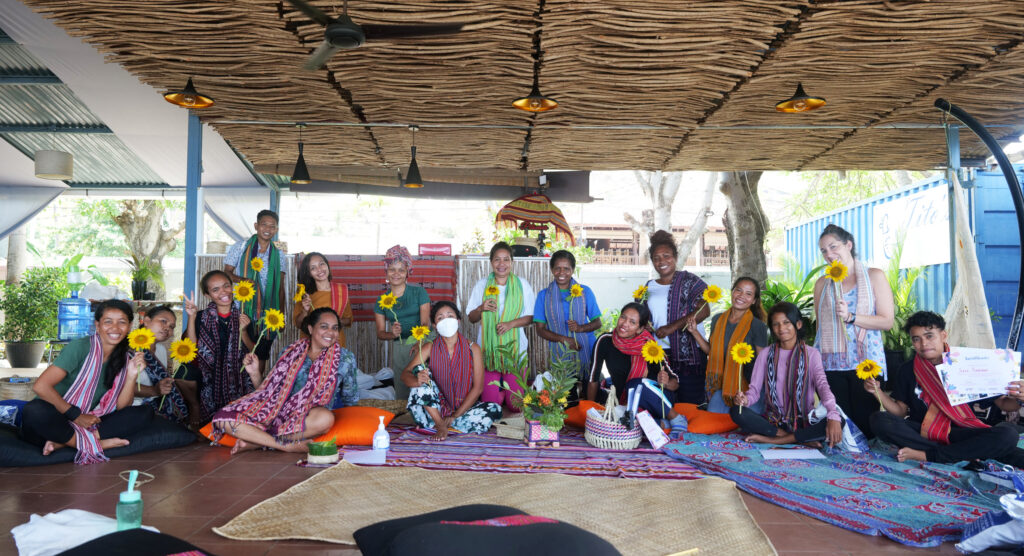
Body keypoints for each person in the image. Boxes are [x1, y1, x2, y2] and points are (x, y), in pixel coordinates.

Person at [866, 311, 1024, 466]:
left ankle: (929, 454)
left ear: (943, 335)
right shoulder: (907, 370)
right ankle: (965, 453)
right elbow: (900, 412)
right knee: (879, 420)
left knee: (1008, 435)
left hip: (962, 431)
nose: (924, 344)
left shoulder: (967, 362)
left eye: (929, 336)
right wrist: (877, 392)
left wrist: (1020, 398)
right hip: (922, 431)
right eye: (916, 339)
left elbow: (1004, 404)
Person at [20, 300, 154, 464]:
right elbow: (40, 386)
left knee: (145, 412)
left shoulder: (125, 358)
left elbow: (122, 407)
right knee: (34, 410)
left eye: (122, 322)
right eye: (108, 322)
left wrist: (132, 375)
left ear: (130, 326)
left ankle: (65, 443)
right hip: (54, 419)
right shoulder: (81, 347)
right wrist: (75, 416)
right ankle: (99, 444)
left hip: (86, 422)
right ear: (97, 325)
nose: (115, 328)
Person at [211, 308, 349, 454]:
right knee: (222, 419)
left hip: (306, 418)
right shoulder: (290, 351)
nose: (331, 333)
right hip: (273, 413)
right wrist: (255, 373)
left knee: (326, 419)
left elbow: (350, 398)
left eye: (335, 328)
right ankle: (285, 446)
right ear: (310, 329)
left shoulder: (345, 359)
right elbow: (268, 393)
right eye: (324, 327)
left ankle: (257, 442)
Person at [813, 223, 894, 437]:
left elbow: (887, 321)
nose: (829, 254)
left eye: (833, 247)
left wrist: (852, 317)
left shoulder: (874, 276)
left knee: (866, 427)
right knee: (840, 426)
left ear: (848, 245)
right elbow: (820, 328)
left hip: (865, 362)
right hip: (832, 364)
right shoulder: (822, 284)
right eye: (824, 251)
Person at [731, 302, 843, 448]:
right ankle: (798, 438)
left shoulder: (811, 354)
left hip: (804, 421)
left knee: (840, 420)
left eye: (786, 322)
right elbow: (754, 391)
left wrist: (833, 414)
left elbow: (822, 386)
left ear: (798, 324)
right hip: (774, 421)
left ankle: (774, 440)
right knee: (737, 412)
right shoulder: (765, 354)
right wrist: (744, 400)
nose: (781, 328)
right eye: (776, 324)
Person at [403, 301, 502, 442]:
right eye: (440, 318)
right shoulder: (429, 347)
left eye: (450, 316)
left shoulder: (473, 348)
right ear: (435, 325)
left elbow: (478, 388)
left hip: (462, 410)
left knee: (494, 408)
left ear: (458, 321)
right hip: (434, 408)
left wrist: (455, 415)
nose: (446, 321)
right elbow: (405, 374)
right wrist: (417, 380)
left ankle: (443, 424)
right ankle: (440, 425)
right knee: (420, 373)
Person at [586, 303, 688, 437]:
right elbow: (593, 378)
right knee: (621, 424)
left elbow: (675, 383)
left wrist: (666, 382)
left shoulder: (650, 347)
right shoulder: (605, 341)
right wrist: (590, 412)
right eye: (623, 317)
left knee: (634, 385)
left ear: (640, 329)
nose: (625, 324)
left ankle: (677, 419)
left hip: (658, 402)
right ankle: (662, 424)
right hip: (628, 403)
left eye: (632, 322)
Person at [643, 230, 710, 404]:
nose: (661, 261)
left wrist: (671, 327)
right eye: (656, 258)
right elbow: (643, 315)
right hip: (660, 354)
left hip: (690, 356)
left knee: (690, 405)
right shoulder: (648, 287)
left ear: (675, 257)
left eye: (666, 256)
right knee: (664, 404)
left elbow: (704, 311)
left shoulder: (691, 281)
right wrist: (646, 325)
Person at [180, 270, 255, 426]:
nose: (223, 292)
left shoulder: (244, 317)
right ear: (208, 295)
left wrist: (243, 331)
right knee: (183, 371)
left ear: (232, 287)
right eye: (215, 289)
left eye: (226, 286)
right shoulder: (201, 317)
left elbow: (254, 350)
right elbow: (190, 347)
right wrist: (192, 317)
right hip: (207, 374)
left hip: (237, 375)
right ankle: (196, 407)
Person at [467, 242, 536, 410]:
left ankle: (507, 395)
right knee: (490, 406)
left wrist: (510, 324)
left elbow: (531, 317)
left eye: (506, 259)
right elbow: (471, 318)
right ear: (491, 262)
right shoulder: (482, 285)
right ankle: (500, 396)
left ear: (512, 262)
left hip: (515, 351)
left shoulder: (522, 285)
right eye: (497, 259)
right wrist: (481, 308)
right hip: (488, 352)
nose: (501, 264)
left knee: (516, 406)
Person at [688, 277, 769, 413]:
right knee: (714, 416)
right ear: (732, 292)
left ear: (754, 300)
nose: (741, 296)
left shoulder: (758, 326)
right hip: (724, 387)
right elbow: (711, 351)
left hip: (749, 389)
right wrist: (694, 332)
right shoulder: (717, 319)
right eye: (739, 290)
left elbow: (762, 363)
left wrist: (751, 395)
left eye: (748, 294)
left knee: (742, 418)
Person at [223, 209, 286, 376]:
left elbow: (280, 288)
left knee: (261, 353)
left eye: (272, 226)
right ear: (256, 226)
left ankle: (256, 387)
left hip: (268, 313)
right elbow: (226, 273)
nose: (268, 229)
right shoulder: (240, 247)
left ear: (276, 230)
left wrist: (281, 317)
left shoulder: (279, 255)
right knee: (237, 351)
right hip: (243, 310)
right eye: (264, 224)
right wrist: (243, 280)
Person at [533, 250, 602, 401]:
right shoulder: (544, 296)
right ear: (552, 269)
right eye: (557, 268)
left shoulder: (585, 292)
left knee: (590, 398)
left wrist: (580, 328)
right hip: (560, 355)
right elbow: (540, 330)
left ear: (573, 270)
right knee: (567, 401)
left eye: (566, 268)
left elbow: (598, 322)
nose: (561, 273)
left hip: (586, 351)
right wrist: (565, 340)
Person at [373, 244, 431, 401]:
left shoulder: (419, 292)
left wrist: (420, 342)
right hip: (400, 346)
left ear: (407, 272)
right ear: (386, 272)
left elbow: (425, 323)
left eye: (401, 270)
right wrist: (392, 334)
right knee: (403, 388)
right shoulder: (381, 300)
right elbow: (380, 333)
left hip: (423, 343)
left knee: (425, 383)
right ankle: (405, 414)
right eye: (392, 269)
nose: (396, 274)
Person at [133, 305, 188, 424]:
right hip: (134, 408)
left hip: (157, 407)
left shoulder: (161, 349)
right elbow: (120, 387)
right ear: (146, 321)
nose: (167, 328)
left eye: (171, 327)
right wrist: (154, 390)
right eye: (163, 321)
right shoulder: (131, 350)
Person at [294, 252, 353, 347]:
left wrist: (333, 323)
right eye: (313, 268)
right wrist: (305, 311)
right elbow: (298, 324)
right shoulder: (305, 294)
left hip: (336, 344)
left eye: (321, 264)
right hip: (312, 347)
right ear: (309, 273)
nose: (319, 269)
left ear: (327, 265)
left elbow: (349, 320)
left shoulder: (341, 291)